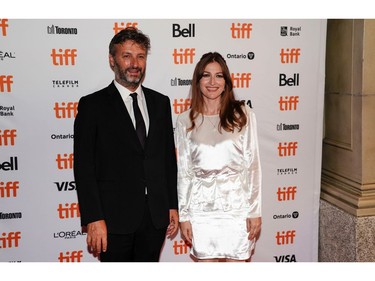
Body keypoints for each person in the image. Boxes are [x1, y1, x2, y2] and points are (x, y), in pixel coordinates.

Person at [73, 27, 178, 262]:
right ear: (112, 60)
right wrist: (93, 218)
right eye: (127, 56)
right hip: (112, 219)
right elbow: (84, 167)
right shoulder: (92, 106)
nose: (134, 63)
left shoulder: (161, 103)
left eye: (140, 56)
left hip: (155, 218)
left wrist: (172, 205)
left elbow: (167, 160)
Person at [175, 52, 262, 262]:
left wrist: (254, 211)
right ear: (198, 81)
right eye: (206, 75)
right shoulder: (185, 120)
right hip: (201, 211)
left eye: (219, 76)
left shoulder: (243, 115)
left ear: (226, 82)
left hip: (237, 209)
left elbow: (253, 166)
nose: (212, 82)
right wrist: (184, 216)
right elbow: (184, 173)